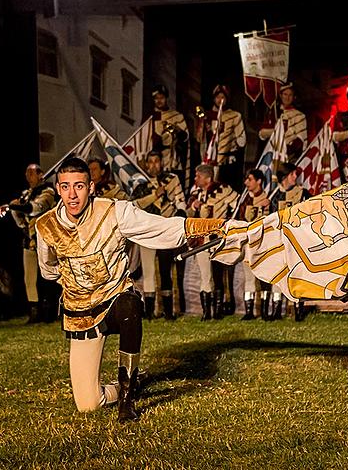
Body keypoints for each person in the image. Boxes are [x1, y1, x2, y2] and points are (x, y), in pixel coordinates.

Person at [35, 157, 222, 422]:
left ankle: (127, 397)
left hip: (115, 299)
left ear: (91, 187)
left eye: (79, 186)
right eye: (65, 187)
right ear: (58, 189)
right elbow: (48, 269)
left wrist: (209, 225)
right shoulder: (46, 226)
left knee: (130, 306)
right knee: (88, 404)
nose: (72, 194)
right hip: (81, 313)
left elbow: (160, 227)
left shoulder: (115, 211)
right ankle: (133, 382)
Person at [0, 163, 57, 323]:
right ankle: (34, 311)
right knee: (29, 277)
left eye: (31, 173)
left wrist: (14, 206)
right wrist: (14, 208)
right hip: (29, 239)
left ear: (40, 175)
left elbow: (36, 208)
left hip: (46, 238)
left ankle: (49, 310)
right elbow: (19, 216)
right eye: (27, 173)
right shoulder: (26, 194)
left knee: (49, 275)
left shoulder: (48, 192)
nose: (28, 176)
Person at [136, 150, 188, 319]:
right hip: (147, 233)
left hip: (165, 233)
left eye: (156, 161)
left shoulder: (172, 181)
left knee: (166, 271)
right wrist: (154, 195)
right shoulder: (141, 187)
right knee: (149, 272)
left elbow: (181, 205)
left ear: (161, 162)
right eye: (149, 162)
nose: (153, 165)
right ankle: (149, 312)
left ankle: (168, 311)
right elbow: (135, 206)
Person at [186, 163, 238, 320]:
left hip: (217, 239)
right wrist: (193, 206)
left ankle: (218, 311)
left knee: (218, 275)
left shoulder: (223, 189)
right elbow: (187, 213)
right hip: (202, 240)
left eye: (198, 176)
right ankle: (206, 312)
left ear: (207, 177)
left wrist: (228, 224)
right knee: (205, 275)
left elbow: (237, 205)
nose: (195, 179)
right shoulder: (196, 194)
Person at [270, 162, 311, 321]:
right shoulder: (274, 196)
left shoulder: (303, 193)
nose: (296, 177)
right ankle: (276, 309)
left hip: (298, 241)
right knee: (278, 275)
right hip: (280, 241)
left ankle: (298, 309)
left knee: (298, 275)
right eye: (293, 174)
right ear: (285, 177)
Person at [235, 168, 271, 320]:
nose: (246, 183)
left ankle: (264, 310)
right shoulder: (244, 201)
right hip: (248, 244)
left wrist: (268, 206)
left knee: (264, 277)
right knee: (249, 278)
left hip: (263, 245)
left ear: (259, 181)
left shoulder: (268, 198)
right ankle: (249, 311)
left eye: (249, 179)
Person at [198, 84, 246, 188]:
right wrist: (203, 126)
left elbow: (242, 140)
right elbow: (199, 139)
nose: (220, 100)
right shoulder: (206, 115)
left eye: (223, 97)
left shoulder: (235, 116)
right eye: (218, 97)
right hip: (210, 162)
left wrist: (231, 142)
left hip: (227, 163)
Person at [258, 82, 307, 163]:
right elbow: (262, 134)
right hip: (271, 154)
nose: (287, 97)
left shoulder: (300, 116)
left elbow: (301, 139)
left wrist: (287, 148)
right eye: (285, 94)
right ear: (281, 96)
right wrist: (276, 131)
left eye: (290, 95)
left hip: (289, 155)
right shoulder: (273, 112)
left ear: (294, 97)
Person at [151, 84, 189, 181]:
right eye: (156, 98)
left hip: (173, 160)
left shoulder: (176, 116)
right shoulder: (150, 117)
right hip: (155, 161)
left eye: (162, 98)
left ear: (166, 98)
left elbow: (185, 138)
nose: (159, 101)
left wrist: (177, 130)